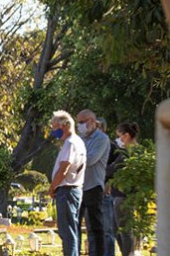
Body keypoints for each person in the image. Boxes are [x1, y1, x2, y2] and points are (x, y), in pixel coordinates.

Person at [48, 110, 86, 256]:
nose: (53, 129)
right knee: (70, 230)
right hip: (72, 190)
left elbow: (64, 168)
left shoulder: (71, 143)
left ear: (64, 125)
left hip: (67, 190)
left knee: (67, 231)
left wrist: (52, 187)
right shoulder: (78, 142)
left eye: (54, 125)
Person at [75, 109, 110, 256]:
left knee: (96, 227)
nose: (80, 125)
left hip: (93, 187)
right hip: (78, 186)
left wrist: (75, 158)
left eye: (82, 122)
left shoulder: (101, 139)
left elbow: (91, 159)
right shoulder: (80, 139)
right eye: (78, 123)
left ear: (91, 121)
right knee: (75, 224)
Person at [106, 122, 140, 256]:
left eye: (119, 136)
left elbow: (112, 169)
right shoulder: (127, 151)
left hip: (124, 195)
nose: (117, 140)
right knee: (117, 229)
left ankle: (128, 253)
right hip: (119, 194)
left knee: (124, 230)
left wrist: (101, 166)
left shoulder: (129, 152)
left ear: (126, 136)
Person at [97, 117, 116, 256]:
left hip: (106, 194)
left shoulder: (112, 147)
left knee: (108, 230)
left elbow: (118, 169)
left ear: (103, 129)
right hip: (91, 193)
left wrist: (109, 184)